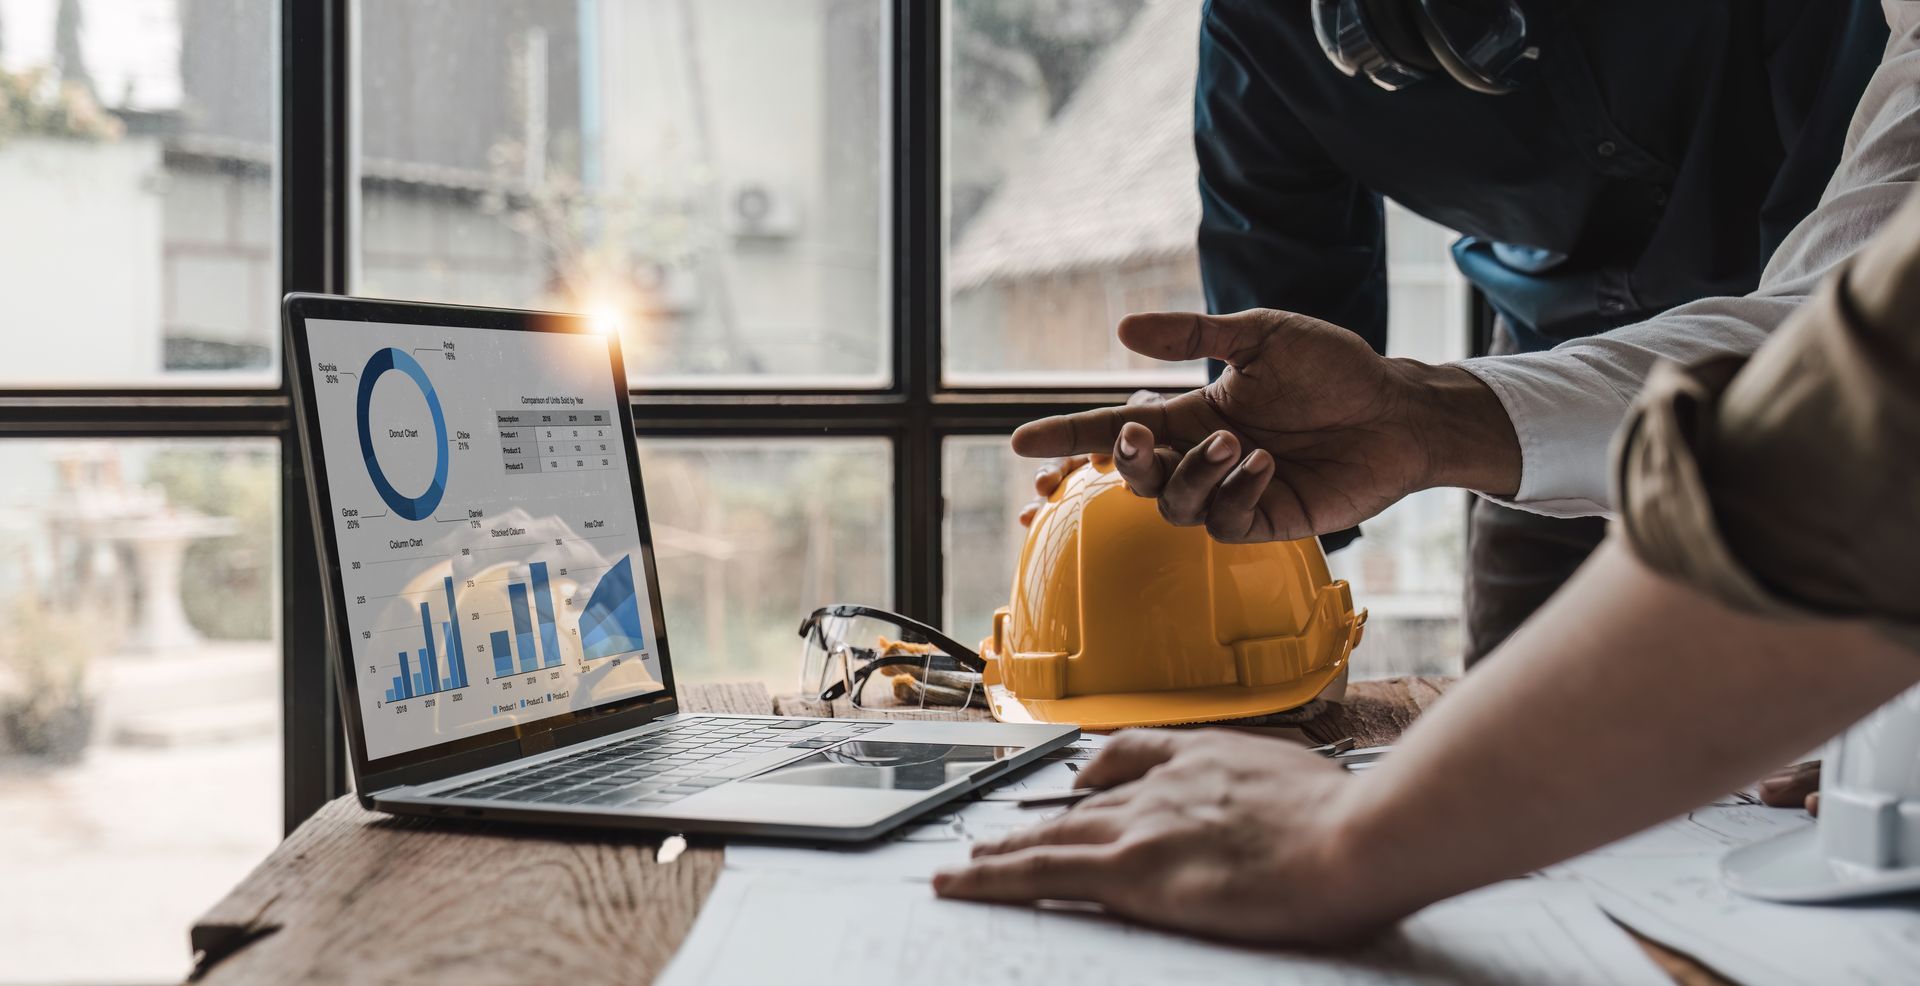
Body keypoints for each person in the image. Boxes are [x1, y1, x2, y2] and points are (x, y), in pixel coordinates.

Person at [932, 2, 1920, 942]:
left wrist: (1363, 837)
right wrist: (1411, 421)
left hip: (1743, 369)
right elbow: (1844, 321)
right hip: (1557, 363)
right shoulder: (1260, 31)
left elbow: (1855, 397)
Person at [1025, 0, 1887, 665]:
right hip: (1548, 361)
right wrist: (1213, 486)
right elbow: (1287, 395)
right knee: (1520, 746)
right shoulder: (1262, 32)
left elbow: (1849, 315)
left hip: (1839, 342)